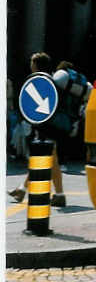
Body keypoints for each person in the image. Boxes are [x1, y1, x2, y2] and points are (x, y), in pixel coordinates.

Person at [8, 53, 68, 207]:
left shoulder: (42, 81)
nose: (30, 65)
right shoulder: (50, 80)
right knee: (46, 159)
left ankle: (59, 195)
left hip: (47, 127)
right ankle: (23, 190)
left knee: (47, 159)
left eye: (32, 63)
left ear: (35, 65)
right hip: (50, 126)